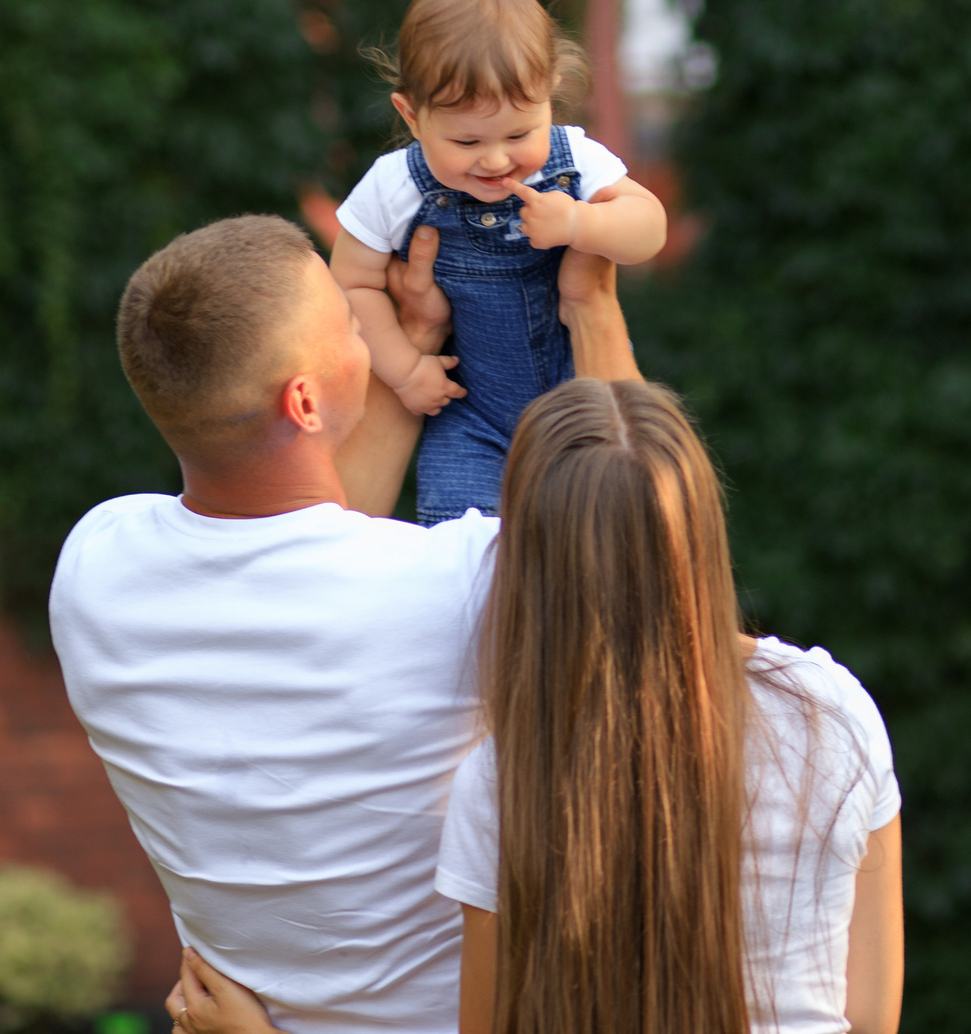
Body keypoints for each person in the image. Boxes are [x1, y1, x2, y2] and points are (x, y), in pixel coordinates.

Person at [49, 210, 638, 1034]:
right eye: (346, 320)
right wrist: (593, 305)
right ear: (302, 397)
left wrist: (411, 347)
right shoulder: (460, 585)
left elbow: (308, 542)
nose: (366, 328)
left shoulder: (93, 564)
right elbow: (638, 522)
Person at [166, 381, 905, 1034]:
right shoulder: (829, 712)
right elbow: (870, 1017)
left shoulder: (511, 780)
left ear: (526, 555)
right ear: (703, 533)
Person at [332, 0, 666, 523]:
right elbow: (351, 282)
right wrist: (405, 370)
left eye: (518, 135)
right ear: (411, 116)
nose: (494, 160)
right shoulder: (395, 185)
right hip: (471, 419)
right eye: (466, 141)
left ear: (550, 93)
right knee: (461, 545)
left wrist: (582, 223)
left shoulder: (574, 162)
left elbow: (648, 227)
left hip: (575, 402)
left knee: (593, 531)